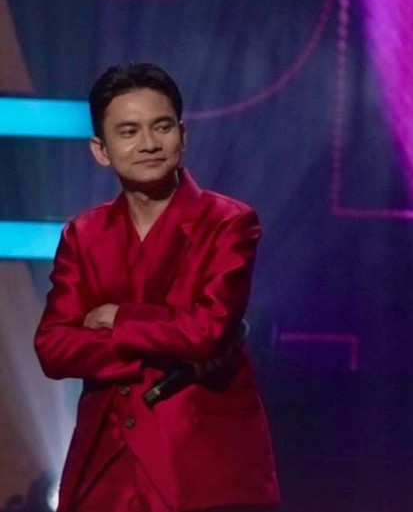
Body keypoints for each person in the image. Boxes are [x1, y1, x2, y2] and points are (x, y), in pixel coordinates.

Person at [34, 63, 281, 512]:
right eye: (128, 131)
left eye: (162, 127)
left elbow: (206, 333)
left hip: (201, 464)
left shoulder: (228, 222)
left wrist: (116, 319)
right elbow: (54, 347)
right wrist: (163, 339)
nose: (149, 143)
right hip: (105, 464)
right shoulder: (83, 234)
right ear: (101, 150)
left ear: (183, 136)